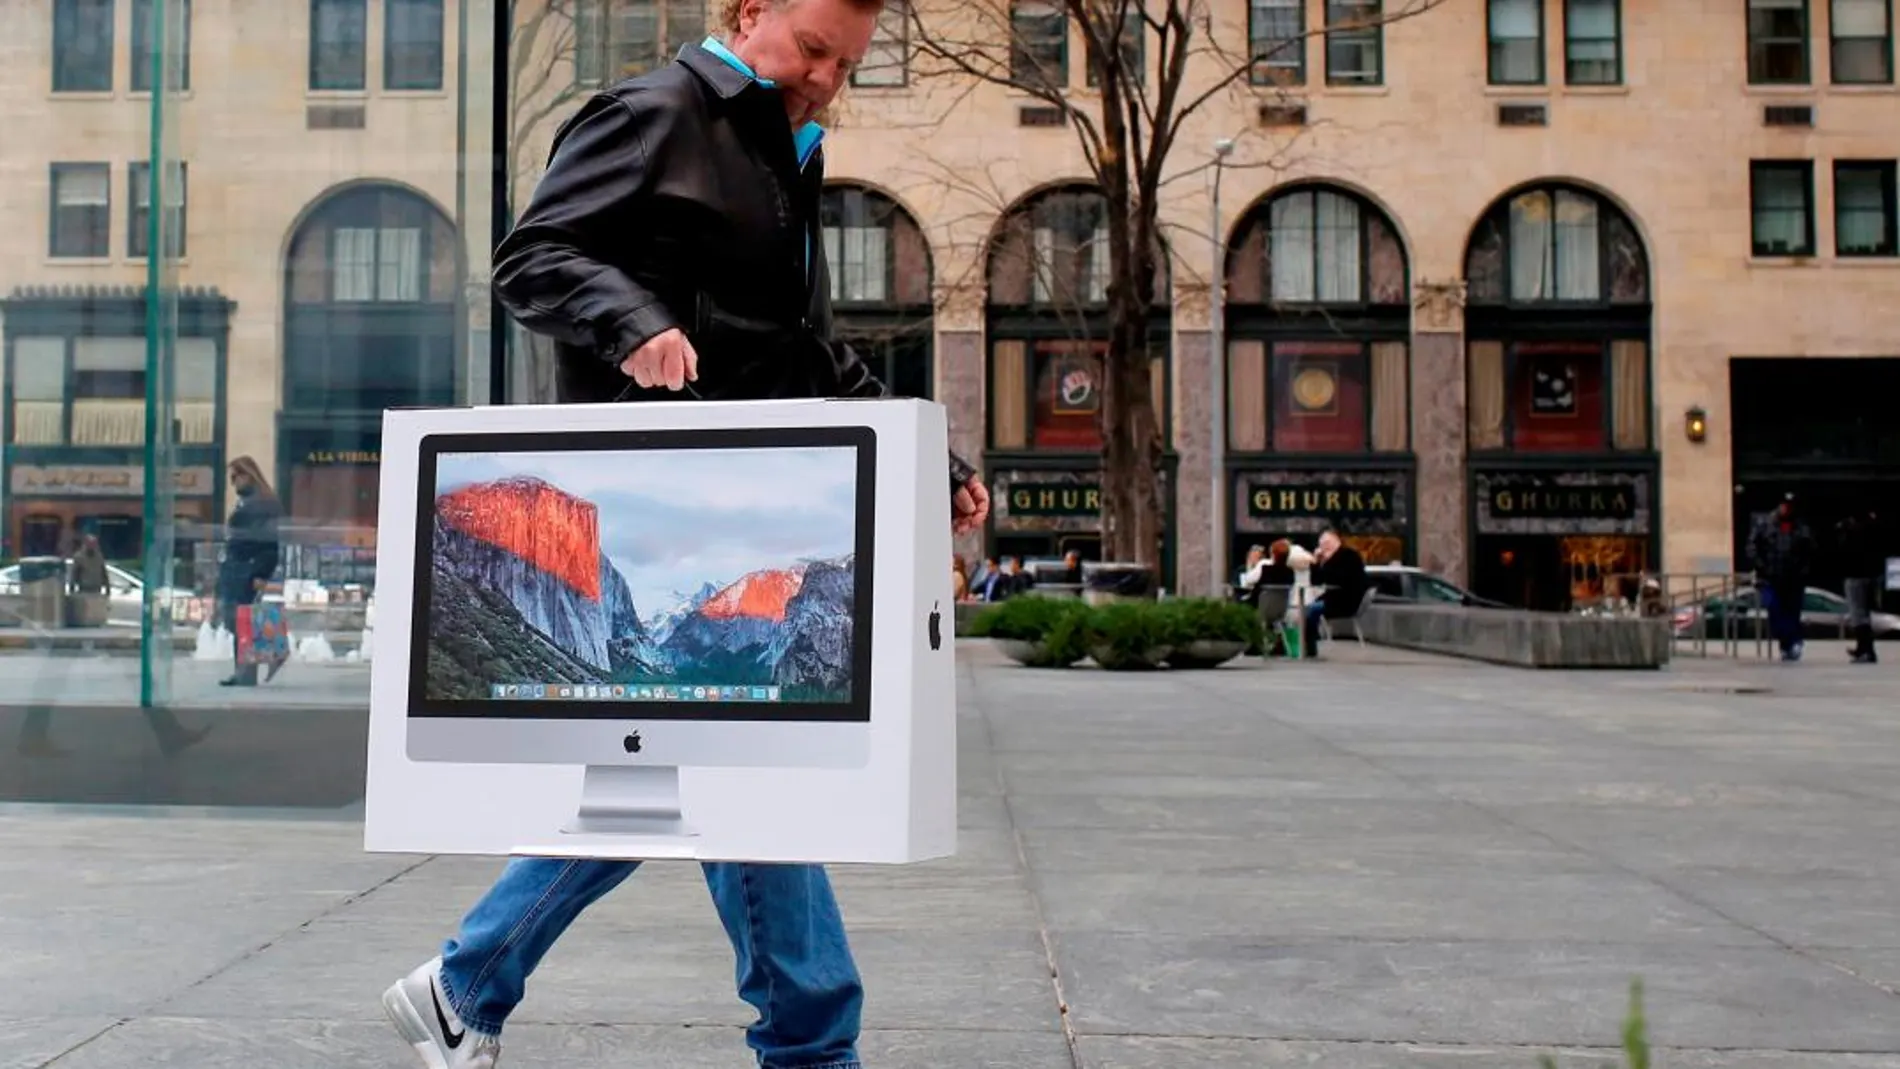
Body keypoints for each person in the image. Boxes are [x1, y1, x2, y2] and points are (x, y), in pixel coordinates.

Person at [379, 3, 990, 1067]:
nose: (827, 81)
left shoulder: (776, 153)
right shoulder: (654, 113)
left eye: (849, 63)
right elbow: (532, 258)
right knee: (726, 778)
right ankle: (799, 1045)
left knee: (714, 781)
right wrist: (633, 322)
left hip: (738, 479)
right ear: (747, 13)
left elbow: (796, 346)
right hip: (666, 477)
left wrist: (930, 460)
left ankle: (474, 983)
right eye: (811, 50)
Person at [216, 456, 285, 687]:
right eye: (232, 478)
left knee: (240, 619)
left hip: (246, 567)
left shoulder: (260, 504)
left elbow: (269, 544)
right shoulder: (248, 502)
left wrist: (260, 574)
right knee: (238, 619)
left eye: (237, 476)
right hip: (238, 567)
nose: (234, 482)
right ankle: (246, 669)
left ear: (249, 475)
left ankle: (247, 670)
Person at [1748, 493, 1815, 662]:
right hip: (1770, 576)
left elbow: (1809, 550)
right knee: (1774, 609)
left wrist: (1803, 569)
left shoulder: (1800, 527)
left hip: (1793, 577)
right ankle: (1787, 641)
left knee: (1792, 612)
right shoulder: (1765, 524)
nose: (1787, 509)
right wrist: (1760, 565)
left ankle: (1792, 643)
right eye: (1785, 505)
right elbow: (1752, 546)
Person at [1304, 529, 1368, 656]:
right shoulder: (1329, 559)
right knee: (1307, 610)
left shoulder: (1349, 556)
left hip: (1347, 600)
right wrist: (1316, 563)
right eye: (1321, 544)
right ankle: (1308, 645)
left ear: (1336, 540)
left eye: (1327, 542)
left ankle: (1310, 647)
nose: (1324, 546)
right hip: (1333, 598)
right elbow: (1316, 581)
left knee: (1312, 610)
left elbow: (1340, 579)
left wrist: (1328, 560)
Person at [1837, 508, 1881, 664]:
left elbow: (1845, 549)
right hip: (1870, 575)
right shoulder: (1874, 529)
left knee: (1858, 614)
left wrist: (1845, 531)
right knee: (1864, 614)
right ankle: (1863, 648)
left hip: (1855, 574)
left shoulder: (1854, 532)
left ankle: (1866, 650)